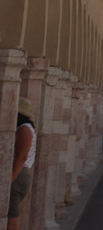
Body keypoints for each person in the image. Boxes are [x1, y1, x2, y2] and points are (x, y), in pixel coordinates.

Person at [9, 97, 36, 230]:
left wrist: (10, 180)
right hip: (19, 174)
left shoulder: (24, 129)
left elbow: (22, 156)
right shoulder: (25, 128)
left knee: (11, 220)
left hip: (18, 174)